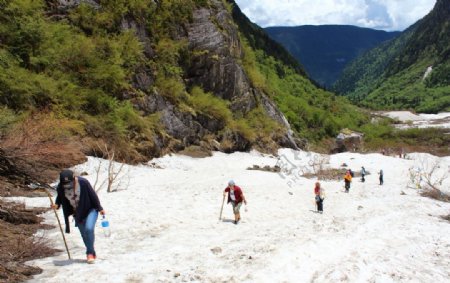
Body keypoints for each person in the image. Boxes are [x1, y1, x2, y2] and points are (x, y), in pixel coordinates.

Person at [52, 169, 105, 264]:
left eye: (69, 183)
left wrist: (100, 208)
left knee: (89, 229)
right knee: (84, 234)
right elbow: (60, 197)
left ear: (73, 179)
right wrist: (57, 204)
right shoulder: (61, 187)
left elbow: (93, 195)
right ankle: (92, 252)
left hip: (91, 209)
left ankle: (89, 253)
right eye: (65, 184)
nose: (67, 186)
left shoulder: (83, 183)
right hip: (77, 213)